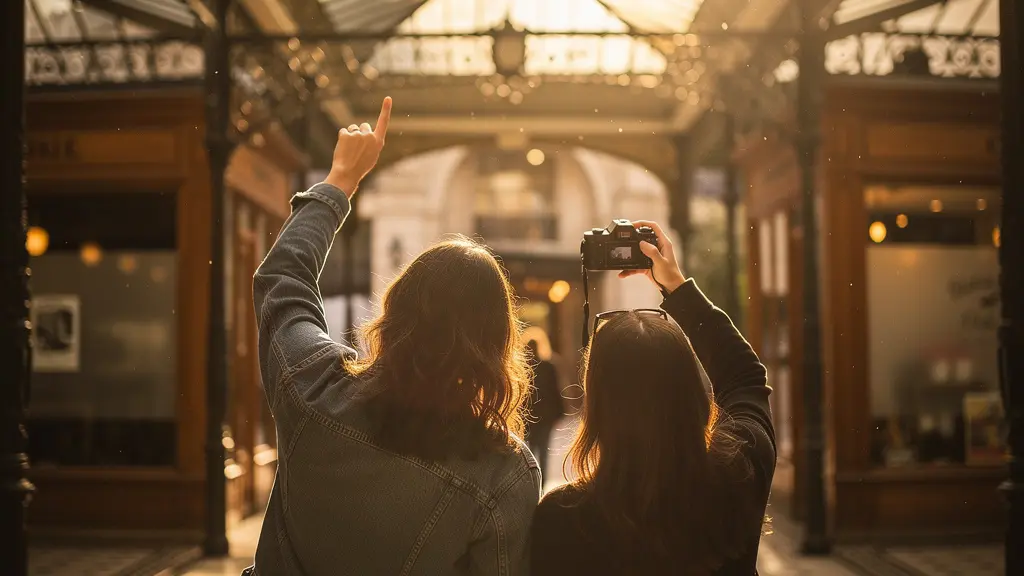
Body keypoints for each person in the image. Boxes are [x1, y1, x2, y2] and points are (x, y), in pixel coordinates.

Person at [250, 97, 540, 575]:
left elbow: (283, 279)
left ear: (395, 312)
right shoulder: (503, 474)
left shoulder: (313, 388)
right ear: (496, 346)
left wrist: (341, 180)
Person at [530, 221, 775, 576]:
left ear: (599, 409)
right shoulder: (741, 472)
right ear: (692, 393)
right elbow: (745, 375)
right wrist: (676, 286)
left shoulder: (563, 521)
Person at [525, 339, 563, 470]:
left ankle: (534, 479)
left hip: (530, 418)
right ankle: (542, 480)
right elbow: (555, 390)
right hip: (545, 416)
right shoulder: (548, 366)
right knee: (543, 451)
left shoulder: (524, 369)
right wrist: (559, 413)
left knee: (530, 452)